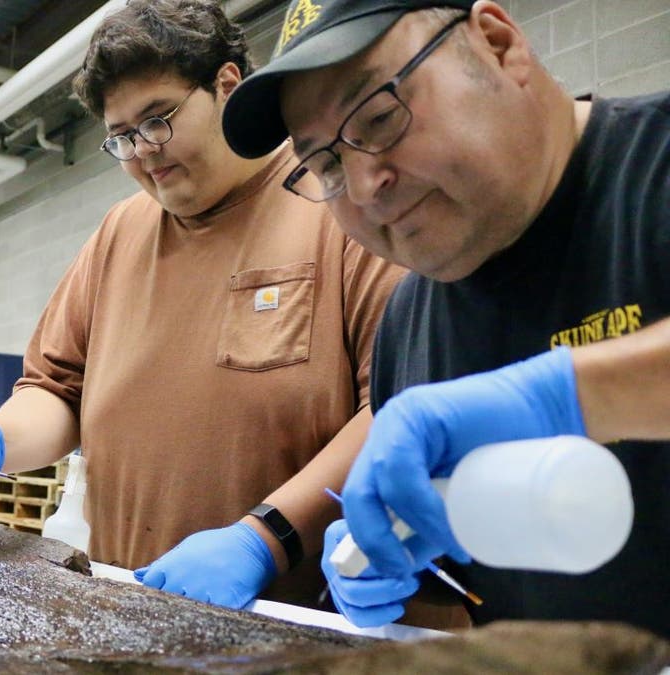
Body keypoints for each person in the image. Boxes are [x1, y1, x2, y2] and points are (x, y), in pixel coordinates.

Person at [0, 0, 402, 611]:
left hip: (299, 618)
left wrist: (266, 538)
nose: (142, 151)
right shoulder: (119, 234)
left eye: (157, 119)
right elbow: (59, 390)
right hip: (130, 608)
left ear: (226, 85)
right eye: (120, 137)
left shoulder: (331, 201)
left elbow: (397, 407)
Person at [222, 0, 670, 636]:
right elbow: (480, 589)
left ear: (496, 43)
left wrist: (561, 397)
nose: (362, 182)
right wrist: (392, 569)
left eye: (378, 117)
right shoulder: (409, 327)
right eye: (325, 164)